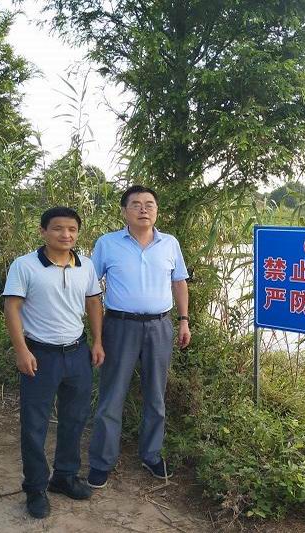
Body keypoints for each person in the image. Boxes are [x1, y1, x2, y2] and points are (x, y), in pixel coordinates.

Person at [2, 207, 105, 519]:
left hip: (77, 353)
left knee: (75, 419)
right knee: (34, 425)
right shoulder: (24, 265)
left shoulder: (85, 265)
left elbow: (93, 302)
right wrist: (21, 350)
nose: (66, 234)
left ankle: (64, 476)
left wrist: (97, 341)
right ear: (43, 231)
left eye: (72, 229)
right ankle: (35, 488)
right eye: (58, 228)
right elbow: (11, 307)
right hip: (40, 355)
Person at [87, 185, 190, 489]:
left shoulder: (169, 243)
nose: (143, 209)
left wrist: (184, 321)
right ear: (124, 211)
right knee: (112, 396)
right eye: (136, 204)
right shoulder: (107, 243)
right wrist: (96, 335)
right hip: (120, 326)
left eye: (149, 204)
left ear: (157, 210)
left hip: (160, 326)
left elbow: (179, 283)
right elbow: (91, 288)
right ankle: (101, 462)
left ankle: (152, 455)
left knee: (156, 395)